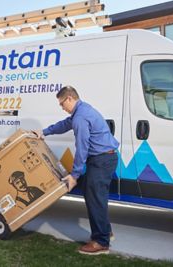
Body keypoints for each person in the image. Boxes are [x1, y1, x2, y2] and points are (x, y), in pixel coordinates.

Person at [34, 85, 119, 255]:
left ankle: (101, 242)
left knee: (95, 198)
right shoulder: (81, 111)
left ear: (70, 98)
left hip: (101, 160)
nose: (61, 107)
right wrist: (44, 132)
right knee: (94, 196)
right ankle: (105, 231)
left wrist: (74, 175)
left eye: (61, 104)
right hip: (103, 159)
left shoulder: (80, 116)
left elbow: (82, 148)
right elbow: (64, 124)